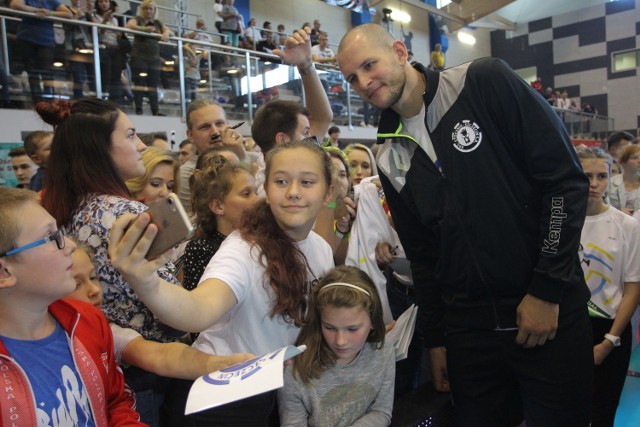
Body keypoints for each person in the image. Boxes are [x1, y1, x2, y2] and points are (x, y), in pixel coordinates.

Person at [337, 24, 593, 426]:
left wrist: (547, 288)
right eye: (352, 77)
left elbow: (564, 183)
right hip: (471, 336)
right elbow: (424, 256)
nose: (364, 82)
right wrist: (437, 339)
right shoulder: (387, 152)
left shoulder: (483, 82)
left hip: (550, 314)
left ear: (401, 52)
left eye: (369, 65)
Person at [108, 140, 335, 425]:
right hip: (219, 397)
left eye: (307, 181)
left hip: (270, 392)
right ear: (266, 188)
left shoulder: (321, 249)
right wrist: (146, 282)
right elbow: (199, 309)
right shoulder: (244, 247)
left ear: (329, 193)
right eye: (281, 181)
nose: (293, 192)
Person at [37, 98, 182, 425]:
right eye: (131, 135)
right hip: (144, 369)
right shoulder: (125, 213)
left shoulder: (60, 208)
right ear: (100, 149)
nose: (142, 145)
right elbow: (172, 311)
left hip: (93, 362)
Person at [0, 187, 144, 426]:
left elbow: (115, 402)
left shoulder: (86, 319)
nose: (70, 245)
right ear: (4, 271)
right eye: (51, 238)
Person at [67, 242, 254, 379]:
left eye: (94, 277)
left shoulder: (108, 332)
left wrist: (222, 364)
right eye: (76, 284)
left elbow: (159, 355)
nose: (94, 290)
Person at [278, 265, 395, 426]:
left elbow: (381, 411)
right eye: (330, 328)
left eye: (352, 329)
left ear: (373, 321)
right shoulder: (296, 369)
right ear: (319, 322)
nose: (340, 341)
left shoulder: (384, 350)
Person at [576, 147, 640, 427]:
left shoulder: (627, 225)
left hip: (610, 329)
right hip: (567, 328)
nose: (594, 183)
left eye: (601, 176)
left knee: (603, 411)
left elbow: (633, 286)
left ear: (610, 176)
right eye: (586, 175)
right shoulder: (559, 221)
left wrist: (609, 341)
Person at [182, 156, 259, 290]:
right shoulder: (200, 249)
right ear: (218, 206)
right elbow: (196, 303)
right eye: (246, 194)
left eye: (256, 192)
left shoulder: (262, 238)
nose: (257, 200)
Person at [178, 99, 248, 209]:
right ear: (190, 135)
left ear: (228, 126)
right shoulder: (187, 174)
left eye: (219, 124)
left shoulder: (254, 158)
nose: (215, 132)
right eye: (205, 127)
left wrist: (241, 157)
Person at [9, 0, 72, 103]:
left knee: (46, 71)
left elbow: (68, 14)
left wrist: (49, 13)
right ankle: (37, 100)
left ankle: (49, 99)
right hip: (27, 38)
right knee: (32, 71)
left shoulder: (51, 1)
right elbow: (14, 4)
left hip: (46, 40)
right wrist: (36, 10)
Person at [126, 0, 170, 116]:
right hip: (139, 56)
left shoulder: (157, 22)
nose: (148, 11)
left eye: (151, 9)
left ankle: (155, 110)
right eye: (146, 8)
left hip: (154, 58)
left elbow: (167, 30)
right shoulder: (138, 19)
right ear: (142, 9)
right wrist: (144, 29)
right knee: (139, 83)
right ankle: (139, 108)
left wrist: (165, 33)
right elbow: (129, 25)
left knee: (153, 85)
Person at [92, 0, 125, 104]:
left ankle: (115, 100)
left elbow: (118, 34)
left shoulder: (115, 19)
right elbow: (99, 32)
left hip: (115, 48)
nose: (104, 4)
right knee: (105, 74)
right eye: (101, 1)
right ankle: (102, 99)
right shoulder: (95, 16)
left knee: (116, 76)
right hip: (104, 47)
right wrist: (104, 21)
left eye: (106, 1)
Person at [609, 144, 640, 215]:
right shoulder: (610, 183)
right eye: (634, 158)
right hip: (615, 222)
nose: (639, 161)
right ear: (623, 162)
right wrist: (619, 213)